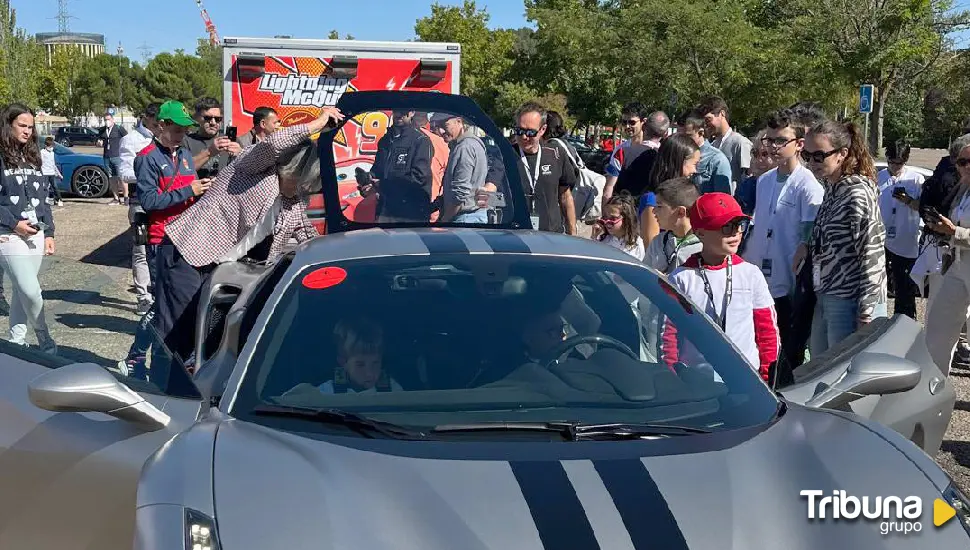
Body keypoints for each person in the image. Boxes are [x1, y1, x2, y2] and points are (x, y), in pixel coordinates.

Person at [742, 108, 824, 380]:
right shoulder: (763, 182)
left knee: (786, 352)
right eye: (769, 140)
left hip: (786, 284)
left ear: (799, 144)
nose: (774, 147)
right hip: (759, 278)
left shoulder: (808, 186)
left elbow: (807, 236)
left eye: (780, 141)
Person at [662, 193, 778, 381]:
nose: (735, 233)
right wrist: (672, 375)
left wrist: (767, 376)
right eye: (726, 227)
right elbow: (669, 333)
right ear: (700, 232)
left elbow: (767, 331)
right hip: (696, 379)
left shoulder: (751, 274)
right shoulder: (681, 278)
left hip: (747, 378)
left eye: (740, 226)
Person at [803, 120, 887, 356]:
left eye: (819, 156)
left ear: (842, 154)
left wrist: (867, 311)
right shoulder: (832, 187)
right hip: (826, 293)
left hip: (850, 301)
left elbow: (872, 252)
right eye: (806, 155)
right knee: (820, 370)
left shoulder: (856, 192)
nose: (811, 163)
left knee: (842, 378)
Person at [0, 104, 57, 354]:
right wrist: (14, 223)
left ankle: (16, 341)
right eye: (21, 126)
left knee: (23, 292)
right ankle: (44, 336)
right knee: (31, 291)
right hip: (8, 234)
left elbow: (43, 199)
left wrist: (50, 232)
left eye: (30, 127)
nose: (27, 131)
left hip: (36, 232)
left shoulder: (34, 156)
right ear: (8, 125)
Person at [923, 134, 970, 373]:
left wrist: (956, 231)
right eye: (962, 162)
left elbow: (958, 229)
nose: (966, 167)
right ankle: (933, 389)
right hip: (957, 263)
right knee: (938, 329)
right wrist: (941, 229)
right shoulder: (962, 190)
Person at [512, 102, 577, 234]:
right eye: (520, 131)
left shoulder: (556, 154)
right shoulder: (507, 155)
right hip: (515, 235)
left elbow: (565, 196)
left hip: (551, 234)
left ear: (542, 129)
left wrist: (573, 232)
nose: (524, 137)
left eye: (530, 132)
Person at [877, 140, 923, 320]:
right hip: (881, 238)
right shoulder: (878, 177)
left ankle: (904, 320)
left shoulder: (915, 179)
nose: (895, 167)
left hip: (905, 239)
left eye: (899, 163)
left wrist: (908, 201)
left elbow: (924, 207)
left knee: (904, 286)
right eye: (892, 162)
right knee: (878, 283)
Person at [369, 109, 434, 222]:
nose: (399, 115)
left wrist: (384, 185)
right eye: (396, 111)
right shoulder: (385, 140)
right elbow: (377, 170)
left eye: (404, 112)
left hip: (411, 213)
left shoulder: (421, 140)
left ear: (412, 113)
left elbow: (419, 177)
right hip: (386, 209)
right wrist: (368, 180)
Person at [643, 133, 701, 247]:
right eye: (694, 164)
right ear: (679, 162)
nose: (695, 170)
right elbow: (651, 247)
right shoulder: (653, 200)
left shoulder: (686, 193)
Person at [318, 317, 403, 394]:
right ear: (343, 362)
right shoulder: (326, 393)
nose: (370, 373)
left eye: (375, 363)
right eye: (360, 365)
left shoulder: (393, 390)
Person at [431, 112, 488, 223]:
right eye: (439, 126)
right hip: (470, 216)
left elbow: (460, 193)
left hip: (465, 218)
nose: (441, 131)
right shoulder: (468, 144)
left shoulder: (465, 147)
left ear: (459, 121)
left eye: (445, 125)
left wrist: (444, 220)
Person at [645, 177, 702, 274]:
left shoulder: (703, 247)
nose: (654, 211)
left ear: (680, 212)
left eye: (659, 206)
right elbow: (645, 275)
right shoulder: (658, 242)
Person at [698, 96, 752, 191]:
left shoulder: (740, 143)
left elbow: (748, 178)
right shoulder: (713, 145)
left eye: (708, 119)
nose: (706, 125)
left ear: (722, 113)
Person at [182, 97, 241, 180]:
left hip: (222, 192)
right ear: (197, 118)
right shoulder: (186, 141)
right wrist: (209, 152)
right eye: (208, 118)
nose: (213, 123)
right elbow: (183, 171)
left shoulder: (230, 140)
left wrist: (241, 155)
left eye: (217, 119)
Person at [678, 110, 733, 195]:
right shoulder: (675, 153)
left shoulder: (717, 160)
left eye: (687, 136)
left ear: (701, 133)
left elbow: (722, 201)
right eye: (679, 137)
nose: (681, 141)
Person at [735, 129, 778, 216]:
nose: (758, 160)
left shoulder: (790, 187)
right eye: (755, 153)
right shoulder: (747, 186)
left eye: (765, 154)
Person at [593, 195, 644, 261]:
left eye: (612, 218)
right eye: (605, 218)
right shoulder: (602, 240)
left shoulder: (636, 243)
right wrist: (594, 237)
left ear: (626, 219)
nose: (607, 222)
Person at [99, 113, 128, 205]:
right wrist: (99, 143)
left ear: (112, 120)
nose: (107, 121)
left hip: (118, 156)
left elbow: (127, 139)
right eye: (105, 120)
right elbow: (99, 140)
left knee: (122, 177)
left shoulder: (119, 129)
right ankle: (116, 198)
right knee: (112, 178)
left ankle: (126, 198)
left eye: (108, 119)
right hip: (107, 156)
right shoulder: (103, 130)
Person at [40, 137, 64, 207]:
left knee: (55, 187)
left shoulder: (52, 153)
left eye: (52, 146)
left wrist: (59, 174)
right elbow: (40, 163)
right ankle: (45, 200)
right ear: (46, 146)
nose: (51, 148)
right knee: (45, 187)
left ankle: (59, 200)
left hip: (52, 173)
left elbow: (53, 165)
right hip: (45, 173)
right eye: (50, 146)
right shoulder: (42, 152)